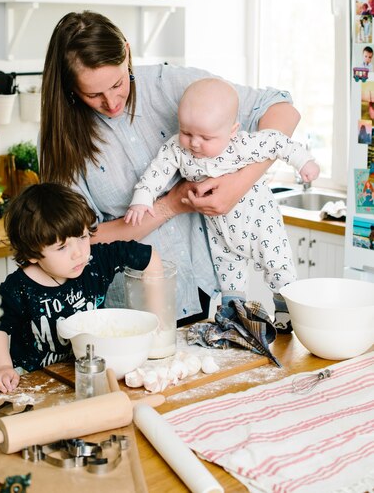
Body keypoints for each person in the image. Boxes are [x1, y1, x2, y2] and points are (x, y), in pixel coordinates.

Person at [39, 11, 301, 325]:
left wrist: (237, 185)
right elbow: (82, 240)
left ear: (127, 51)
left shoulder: (168, 84)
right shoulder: (60, 140)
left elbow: (281, 108)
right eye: (93, 94)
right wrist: (170, 205)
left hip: (210, 288)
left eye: (118, 83)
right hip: (135, 306)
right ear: (70, 87)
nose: (111, 102)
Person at [125, 78, 320, 332]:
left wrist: (304, 162)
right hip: (220, 231)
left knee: (278, 265)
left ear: (232, 130)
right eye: (186, 132)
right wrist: (142, 198)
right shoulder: (177, 149)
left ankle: (285, 311)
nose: (194, 143)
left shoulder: (242, 145)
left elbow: (276, 141)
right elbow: (157, 171)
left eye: (205, 137)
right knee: (228, 271)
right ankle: (234, 315)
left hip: (260, 223)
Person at [0, 183, 162, 394]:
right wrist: (3, 367)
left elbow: (149, 257)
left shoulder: (97, 262)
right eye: (61, 247)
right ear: (32, 253)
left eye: (82, 237)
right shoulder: (18, 287)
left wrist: (157, 322)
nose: (78, 253)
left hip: (91, 375)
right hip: (36, 384)